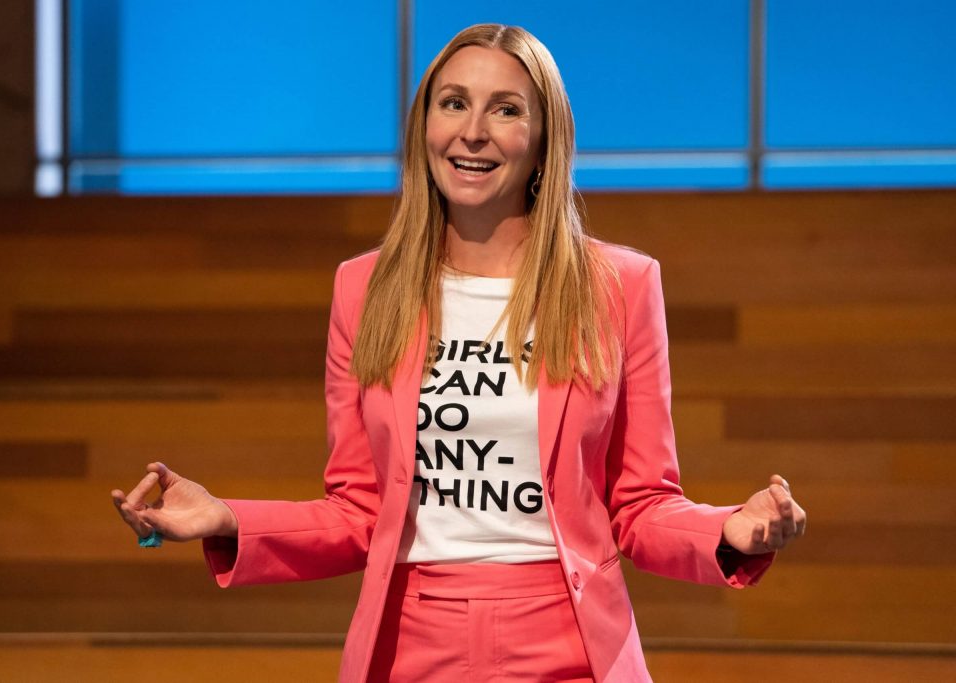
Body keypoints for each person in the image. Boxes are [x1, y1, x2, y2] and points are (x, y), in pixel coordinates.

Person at [112, 23, 807, 683]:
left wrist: (731, 529)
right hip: (409, 645)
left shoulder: (620, 287)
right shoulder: (364, 288)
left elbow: (642, 505)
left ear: (543, 140)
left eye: (505, 110)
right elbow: (358, 510)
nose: (473, 131)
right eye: (454, 104)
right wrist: (229, 519)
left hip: (569, 642)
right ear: (425, 127)